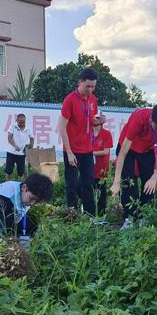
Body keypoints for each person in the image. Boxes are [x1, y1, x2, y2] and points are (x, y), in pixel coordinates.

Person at [111, 103, 157, 229]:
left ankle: (143, 218)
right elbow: (122, 154)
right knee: (129, 182)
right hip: (128, 148)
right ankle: (128, 219)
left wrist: (154, 177)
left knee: (149, 184)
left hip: (147, 150)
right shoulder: (139, 118)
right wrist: (116, 181)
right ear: (152, 118)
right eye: (156, 127)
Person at [59, 68, 101, 216]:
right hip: (72, 150)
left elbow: (91, 122)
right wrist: (69, 152)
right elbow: (62, 127)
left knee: (88, 183)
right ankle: (72, 213)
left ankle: (89, 216)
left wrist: (99, 121)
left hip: (88, 150)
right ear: (80, 82)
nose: (90, 89)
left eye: (93, 86)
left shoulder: (93, 100)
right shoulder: (70, 100)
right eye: (87, 86)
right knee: (71, 184)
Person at [92, 114, 113, 216]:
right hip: (89, 167)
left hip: (101, 168)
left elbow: (105, 151)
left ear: (102, 120)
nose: (94, 119)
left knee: (101, 193)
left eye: (96, 118)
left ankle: (101, 215)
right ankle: (89, 213)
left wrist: (90, 153)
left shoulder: (106, 134)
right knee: (84, 189)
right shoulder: (88, 134)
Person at [6, 113, 34, 180]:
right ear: (16, 120)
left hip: (21, 154)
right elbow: (9, 138)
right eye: (20, 122)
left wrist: (30, 147)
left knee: (21, 172)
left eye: (23, 122)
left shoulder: (28, 128)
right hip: (11, 152)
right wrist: (15, 146)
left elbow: (32, 138)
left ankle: (20, 186)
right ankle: (8, 184)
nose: (22, 124)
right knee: (9, 171)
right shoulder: (12, 126)